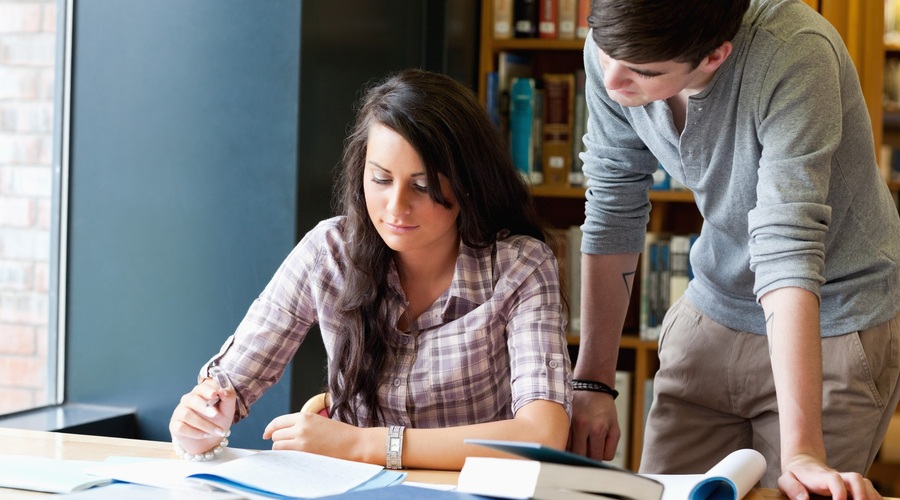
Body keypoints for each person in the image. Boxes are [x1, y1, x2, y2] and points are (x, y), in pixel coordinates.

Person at [568, 0, 900, 499]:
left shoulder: (793, 53)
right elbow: (613, 206)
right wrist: (592, 382)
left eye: (642, 71)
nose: (611, 80)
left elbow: (787, 244)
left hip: (834, 321)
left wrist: (803, 452)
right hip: (714, 309)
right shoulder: (616, 50)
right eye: (606, 51)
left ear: (714, 57)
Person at [168, 69, 572, 471]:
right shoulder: (329, 251)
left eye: (421, 185)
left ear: (467, 182)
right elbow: (228, 385)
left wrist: (363, 444)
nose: (396, 207)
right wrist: (200, 421)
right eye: (380, 179)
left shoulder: (520, 267)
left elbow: (541, 435)